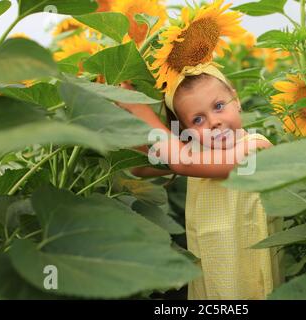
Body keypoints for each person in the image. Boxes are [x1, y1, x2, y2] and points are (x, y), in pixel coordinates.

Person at [118, 62, 283, 300]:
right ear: (186, 130)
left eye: (218, 106)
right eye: (197, 120)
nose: (213, 122)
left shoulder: (257, 148)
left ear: (235, 99)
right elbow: (140, 166)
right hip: (212, 269)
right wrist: (128, 113)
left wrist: (140, 109)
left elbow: (182, 161)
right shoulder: (198, 151)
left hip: (249, 271)